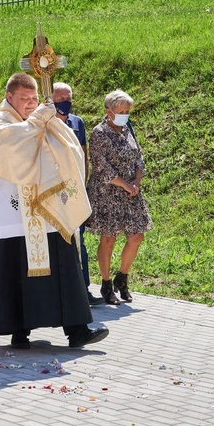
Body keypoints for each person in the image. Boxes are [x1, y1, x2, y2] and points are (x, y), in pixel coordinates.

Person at [0, 73, 109, 349]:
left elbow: (68, 147)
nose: (29, 103)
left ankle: (77, 331)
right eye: (24, 99)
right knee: (13, 268)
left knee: (63, 269)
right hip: (12, 216)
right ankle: (18, 331)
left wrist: (46, 123)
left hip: (48, 209)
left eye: (34, 99)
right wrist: (39, 119)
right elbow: (13, 150)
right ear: (9, 97)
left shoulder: (41, 118)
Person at [86, 89, 153, 305]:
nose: (125, 114)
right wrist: (125, 184)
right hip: (108, 192)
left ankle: (122, 277)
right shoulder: (99, 133)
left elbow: (139, 156)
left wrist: (136, 181)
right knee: (109, 238)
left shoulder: (127, 128)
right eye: (121, 111)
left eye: (127, 111)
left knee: (136, 235)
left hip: (131, 192)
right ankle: (106, 284)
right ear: (108, 112)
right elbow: (101, 166)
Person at [52, 82, 103, 306]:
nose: (65, 102)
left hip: (74, 192)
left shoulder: (77, 123)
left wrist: (82, 186)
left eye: (68, 98)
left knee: (79, 243)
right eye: (60, 98)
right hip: (52, 193)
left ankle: (83, 290)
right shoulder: (44, 122)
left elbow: (84, 156)